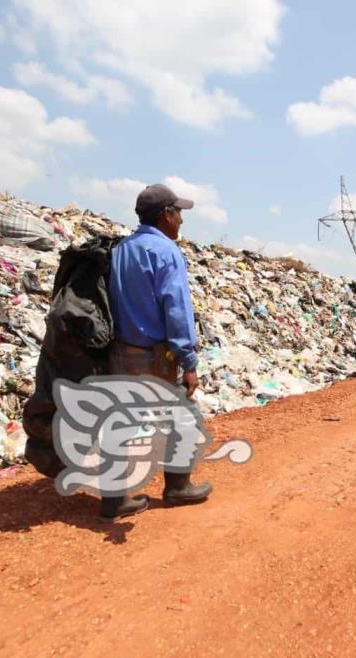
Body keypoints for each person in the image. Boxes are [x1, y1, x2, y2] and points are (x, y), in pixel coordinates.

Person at [102, 184, 213, 521]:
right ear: (166, 215)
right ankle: (178, 487)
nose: (181, 220)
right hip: (153, 355)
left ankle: (113, 500)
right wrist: (188, 361)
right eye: (179, 213)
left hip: (120, 350)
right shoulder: (165, 252)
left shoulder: (121, 249)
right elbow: (176, 309)